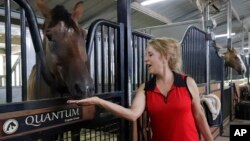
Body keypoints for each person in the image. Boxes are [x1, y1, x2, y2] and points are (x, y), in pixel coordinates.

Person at [67, 37, 214, 141]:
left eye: (150, 55)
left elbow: (199, 116)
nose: (145, 59)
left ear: (164, 57)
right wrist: (98, 101)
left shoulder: (187, 82)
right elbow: (132, 114)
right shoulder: (146, 89)